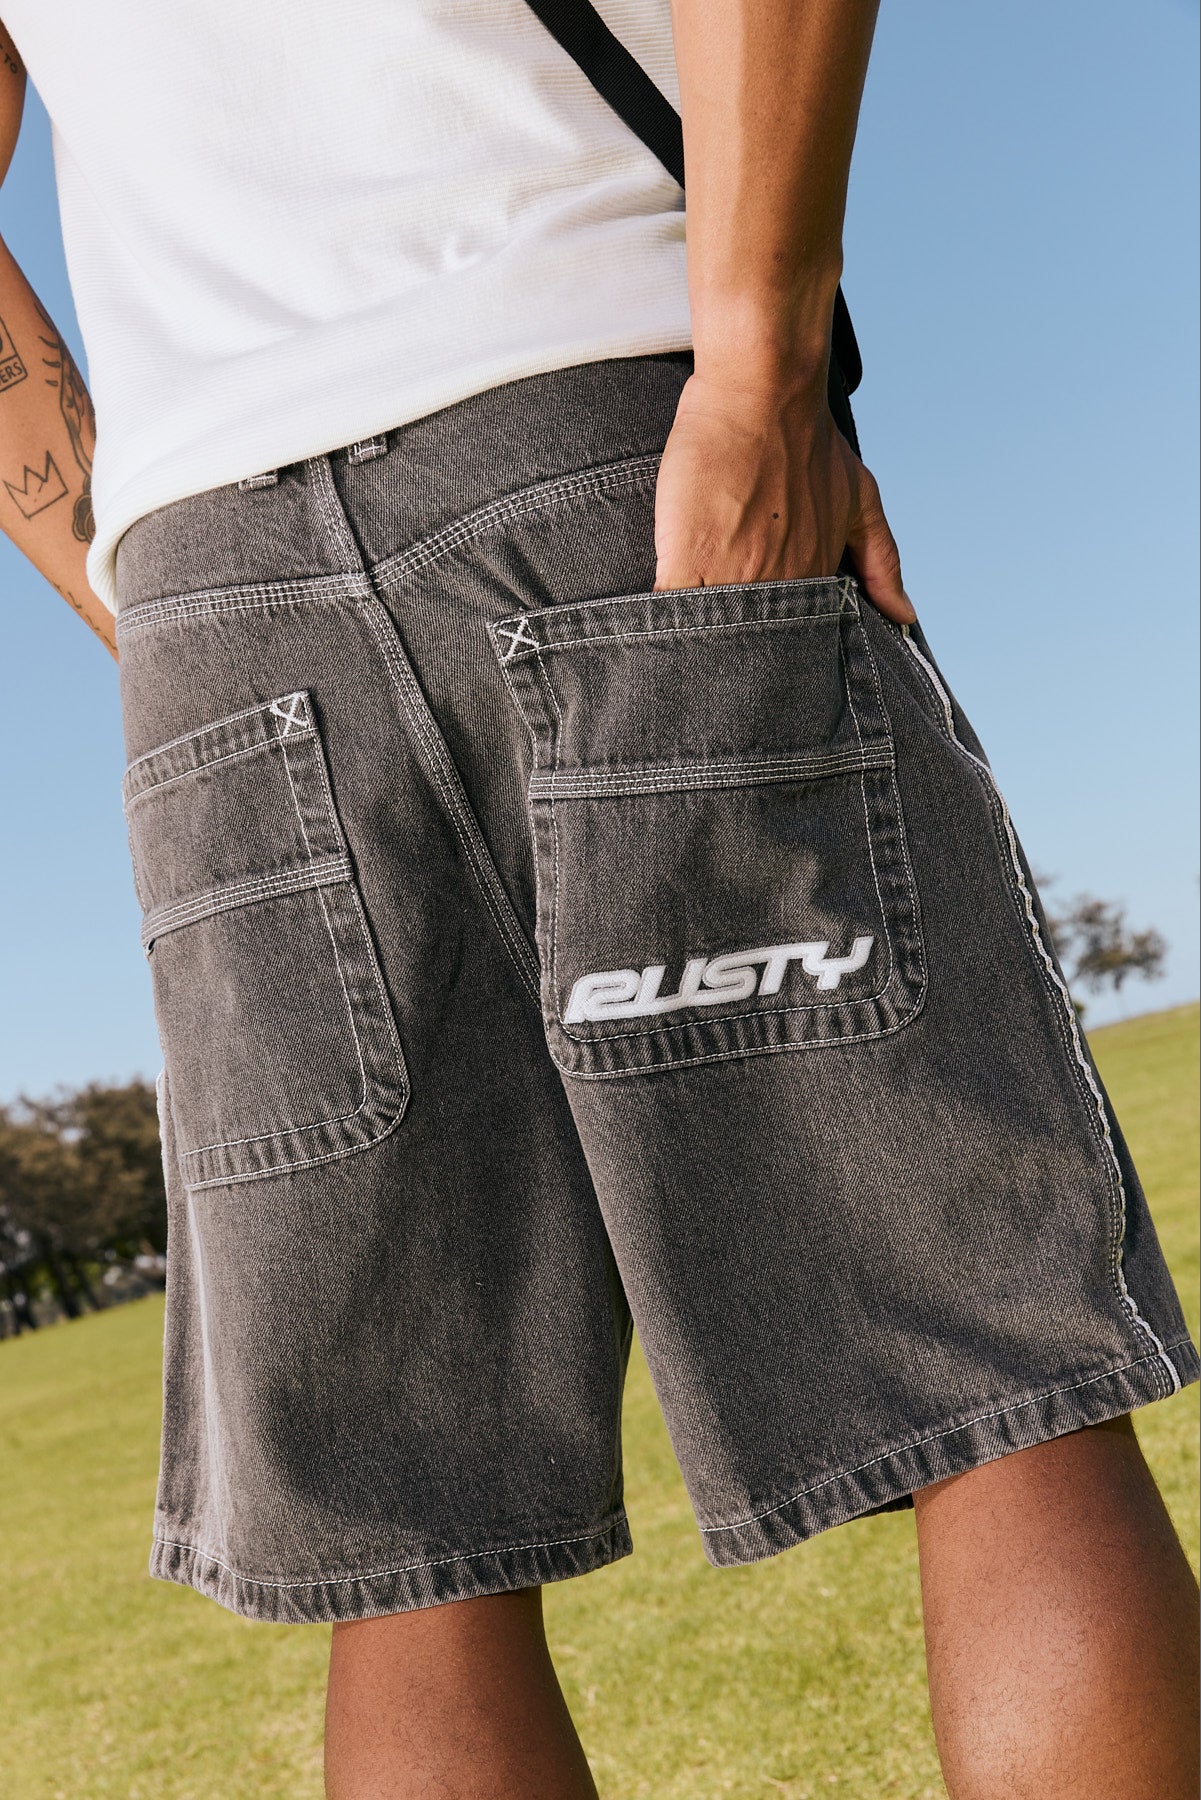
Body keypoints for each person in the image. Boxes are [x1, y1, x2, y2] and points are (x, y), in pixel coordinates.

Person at [0, 2, 1196, 1794]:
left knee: (419, 1555)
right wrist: (760, 375)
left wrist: (141, 592)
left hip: (206, 586)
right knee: (989, 1386)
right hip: (587, 430)